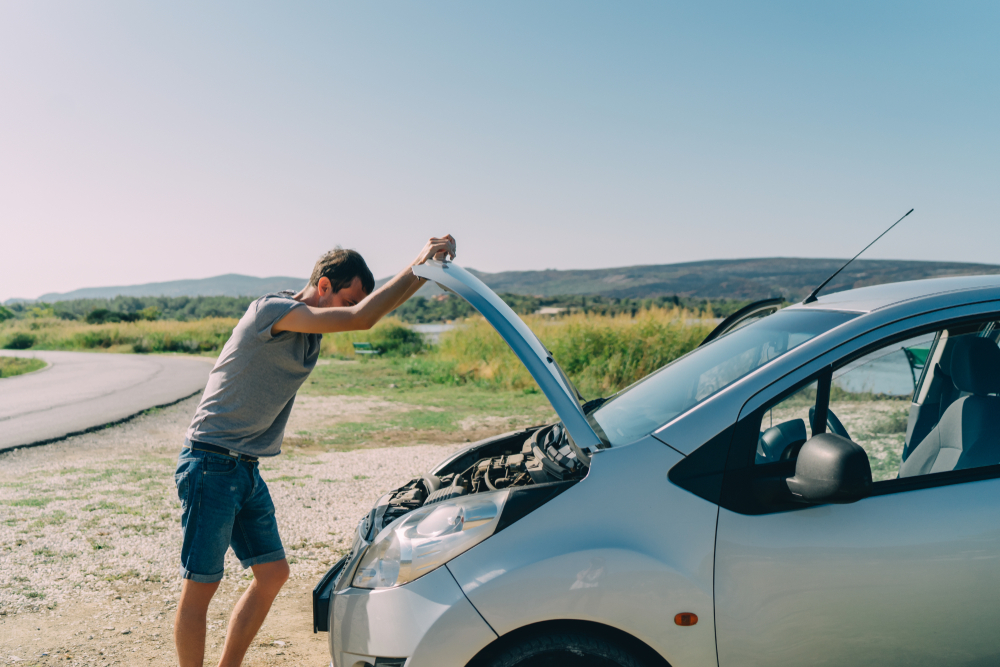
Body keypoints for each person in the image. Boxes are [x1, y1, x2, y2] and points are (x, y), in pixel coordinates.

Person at [173, 235, 457, 667]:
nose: (348, 308)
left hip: (243, 467)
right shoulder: (272, 311)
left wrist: (427, 273)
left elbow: (366, 312)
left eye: (353, 300)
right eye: (345, 297)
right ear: (323, 286)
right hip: (211, 462)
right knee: (201, 587)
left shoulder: (310, 330)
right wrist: (419, 264)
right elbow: (363, 318)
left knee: (273, 575)